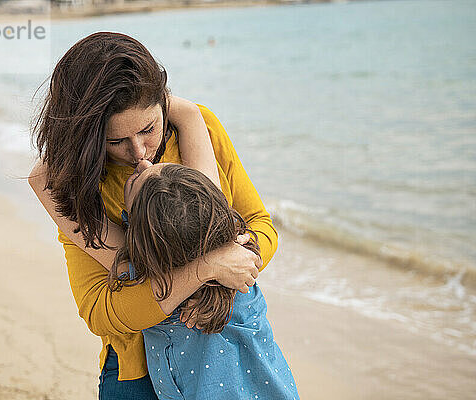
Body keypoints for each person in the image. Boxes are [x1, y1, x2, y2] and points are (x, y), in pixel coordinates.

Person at [29, 32, 278, 399]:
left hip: (225, 335)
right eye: (115, 141)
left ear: (164, 104)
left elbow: (258, 225)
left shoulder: (197, 126)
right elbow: (100, 310)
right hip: (137, 366)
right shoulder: (72, 183)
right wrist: (206, 269)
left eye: (149, 129)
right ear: (87, 136)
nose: (140, 152)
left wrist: (234, 262)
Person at [110, 162, 300, 400]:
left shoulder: (149, 285)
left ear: (142, 240)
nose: (144, 163)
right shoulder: (240, 267)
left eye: (136, 180)